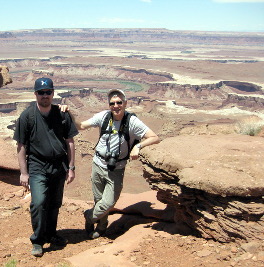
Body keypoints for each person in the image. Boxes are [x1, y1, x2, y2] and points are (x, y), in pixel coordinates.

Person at [74, 89, 160, 239]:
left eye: (119, 102)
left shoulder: (131, 121)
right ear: (109, 105)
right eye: (112, 103)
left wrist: (138, 146)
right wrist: (68, 112)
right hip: (97, 164)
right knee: (98, 200)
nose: (116, 105)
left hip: (117, 169)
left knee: (107, 203)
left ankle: (89, 216)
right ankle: (101, 227)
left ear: (125, 103)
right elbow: (81, 126)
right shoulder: (104, 116)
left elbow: (154, 137)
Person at [13, 77, 78, 257]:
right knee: (39, 202)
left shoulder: (62, 114)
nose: (45, 96)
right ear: (35, 94)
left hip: (59, 165)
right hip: (37, 165)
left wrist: (71, 167)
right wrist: (23, 173)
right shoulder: (27, 116)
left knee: (54, 203)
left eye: (48, 92)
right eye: (41, 93)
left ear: (53, 93)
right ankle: (38, 240)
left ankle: (51, 233)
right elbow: (21, 146)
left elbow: (70, 141)